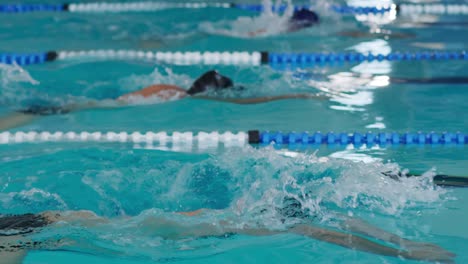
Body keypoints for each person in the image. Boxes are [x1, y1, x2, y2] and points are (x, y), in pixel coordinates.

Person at [0, 195, 455, 264]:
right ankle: (402, 247)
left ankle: (403, 249)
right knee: (307, 224)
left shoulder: (16, 239)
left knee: (306, 228)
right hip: (180, 225)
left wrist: (400, 249)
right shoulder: (41, 228)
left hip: (186, 228)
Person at [0, 70, 324, 131]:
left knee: (45, 110)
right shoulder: (189, 100)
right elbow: (248, 104)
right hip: (108, 108)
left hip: (108, 103)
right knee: (42, 113)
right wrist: (293, 94)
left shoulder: (166, 87)